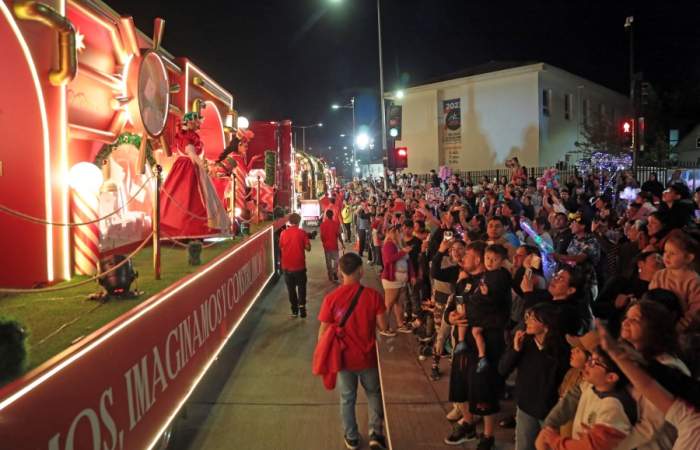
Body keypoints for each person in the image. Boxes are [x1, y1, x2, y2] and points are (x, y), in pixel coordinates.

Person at [317, 253, 389, 450]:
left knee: (347, 398)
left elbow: (322, 334)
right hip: (368, 358)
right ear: (361, 271)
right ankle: (376, 434)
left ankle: (351, 437)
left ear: (340, 272)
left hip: (343, 360)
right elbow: (384, 326)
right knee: (373, 393)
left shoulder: (331, 299)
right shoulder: (373, 296)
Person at [498, 304, 570, 450]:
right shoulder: (525, 343)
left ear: (546, 326)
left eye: (533, 319)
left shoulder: (560, 349)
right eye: (528, 318)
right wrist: (515, 350)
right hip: (525, 407)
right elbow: (502, 369)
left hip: (550, 411)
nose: (527, 322)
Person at [535, 347, 637, 450]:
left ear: (611, 377)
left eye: (594, 363)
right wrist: (549, 427)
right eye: (589, 359)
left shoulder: (613, 407)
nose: (587, 364)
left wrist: (553, 440)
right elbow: (569, 401)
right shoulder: (588, 386)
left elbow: (590, 446)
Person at [160, 112, 231, 237]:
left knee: (200, 195)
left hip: (193, 167)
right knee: (187, 195)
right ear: (189, 122)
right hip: (187, 168)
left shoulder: (192, 136)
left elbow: (195, 155)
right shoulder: (186, 137)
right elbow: (191, 154)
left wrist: (205, 163)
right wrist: (203, 165)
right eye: (196, 121)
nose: (199, 124)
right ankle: (185, 228)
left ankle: (203, 227)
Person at [459, 244, 511, 374]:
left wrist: (485, 296)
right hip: (474, 320)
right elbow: (459, 297)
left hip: (489, 325)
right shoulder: (478, 277)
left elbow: (498, 302)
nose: (489, 262)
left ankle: (482, 357)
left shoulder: (500, 277)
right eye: (487, 258)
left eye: (494, 259)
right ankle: (461, 343)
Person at [649, 229, 700, 331]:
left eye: (672, 253)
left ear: (688, 258)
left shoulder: (693, 280)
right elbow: (652, 296)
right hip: (658, 320)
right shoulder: (659, 275)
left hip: (680, 325)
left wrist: (685, 323)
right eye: (665, 251)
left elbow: (696, 307)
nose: (666, 256)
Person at [380, 225, 414, 335]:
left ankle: (400, 324)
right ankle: (384, 328)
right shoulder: (388, 245)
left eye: (399, 231)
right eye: (397, 231)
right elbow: (388, 260)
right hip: (392, 279)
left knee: (399, 303)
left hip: (401, 279)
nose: (400, 233)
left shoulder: (400, 244)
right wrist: (403, 252)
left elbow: (409, 262)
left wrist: (412, 275)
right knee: (388, 304)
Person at [279, 213, 311, 318]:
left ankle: (294, 310)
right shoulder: (302, 233)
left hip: (287, 266)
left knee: (291, 289)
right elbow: (308, 248)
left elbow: (281, 246)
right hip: (299, 266)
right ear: (299, 221)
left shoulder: (283, 233)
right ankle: (302, 308)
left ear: (290, 222)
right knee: (301, 288)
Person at [320, 209, 345, 282]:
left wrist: (324, 242)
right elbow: (339, 235)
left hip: (326, 246)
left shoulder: (323, 224)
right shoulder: (336, 224)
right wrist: (342, 244)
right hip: (334, 246)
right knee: (336, 260)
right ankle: (335, 272)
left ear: (326, 216)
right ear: (332, 215)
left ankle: (330, 275)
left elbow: (321, 236)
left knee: (328, 261)